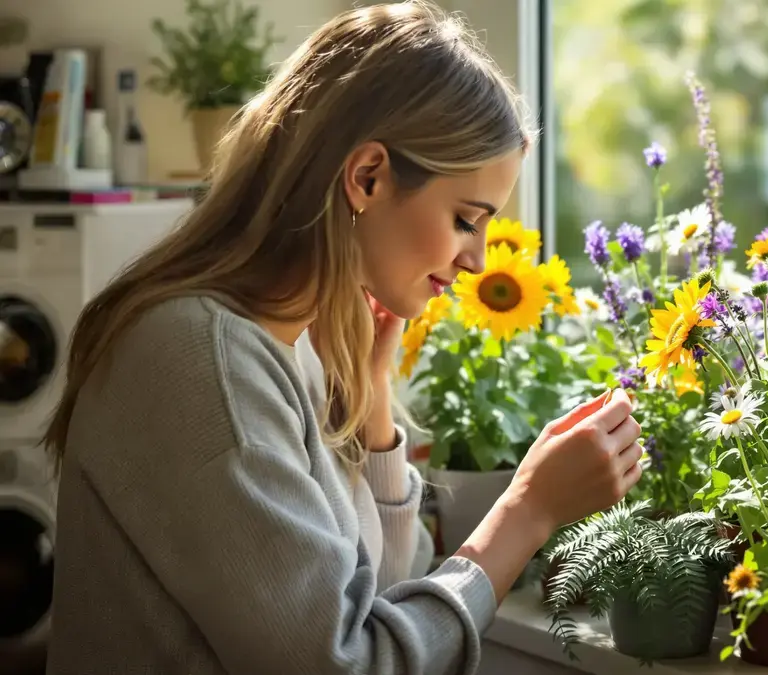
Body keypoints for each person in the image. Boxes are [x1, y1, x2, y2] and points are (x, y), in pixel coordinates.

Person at [41, 3, 644, 673]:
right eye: (466, 219)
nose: (477, 259)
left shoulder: (286, 345)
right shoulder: (203, 360)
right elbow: (352, 661)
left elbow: (380, 598)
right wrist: (526, 516)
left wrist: (374, 405)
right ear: (367, 177)